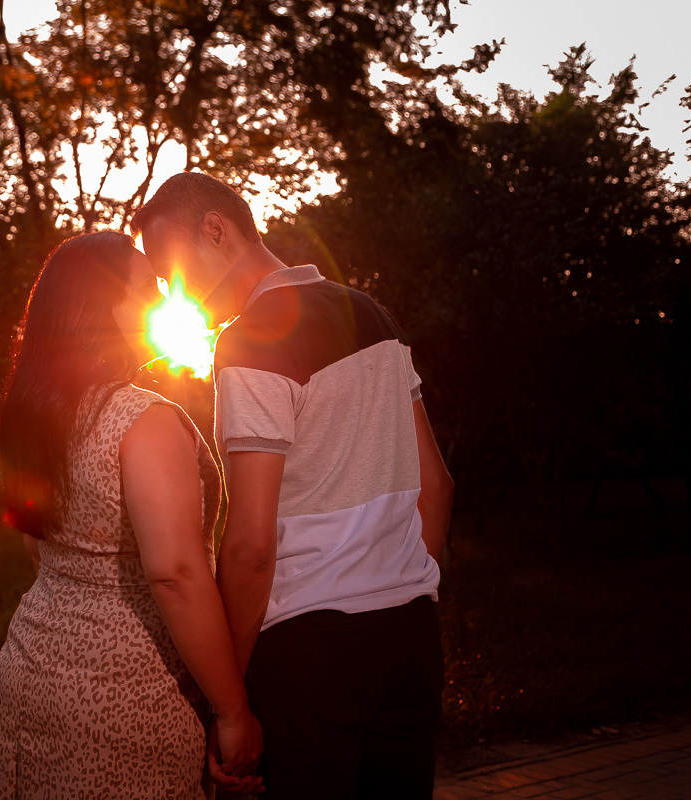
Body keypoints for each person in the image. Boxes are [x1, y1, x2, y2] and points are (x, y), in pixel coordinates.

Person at [132, 172, 455, 799]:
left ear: (215, 231)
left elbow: (251, 545)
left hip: (312, 655)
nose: (174, 293)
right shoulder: (372, 313)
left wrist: (233, 692)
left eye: (170, 269)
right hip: (410, 637)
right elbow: (436, 486)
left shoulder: (251, 340)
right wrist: (401, 591)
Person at [0, 231, 264, 799]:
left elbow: (39, 546)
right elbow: (176, 573)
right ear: (105, 307)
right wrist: (233, 711)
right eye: (149, 286)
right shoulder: (145, 421)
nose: (163, 297)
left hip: (30, 671)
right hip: (125, 697)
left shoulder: (36, 412)